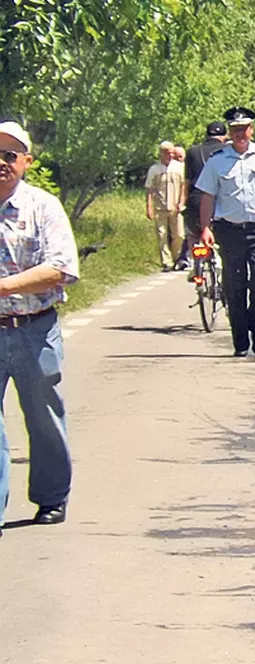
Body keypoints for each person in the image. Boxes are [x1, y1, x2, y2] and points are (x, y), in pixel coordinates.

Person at [0, 121, 80, 532]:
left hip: (35, 328)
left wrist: (4, 287)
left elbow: (62, 267)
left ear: (27, 162)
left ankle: (51, 498)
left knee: (43, 416)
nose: (2, 162)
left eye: (10, 155)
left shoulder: (43, 207)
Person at [195, 107, 255, 357]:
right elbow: (208, 195)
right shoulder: (217, 161)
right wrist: (205, 227)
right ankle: (240, 339)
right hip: (230, 231)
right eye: (235, 129)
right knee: (234, 286)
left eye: (244, 129)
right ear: (230, 132)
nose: (240, 134)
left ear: (251, 130)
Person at [181, 122, 228, 269]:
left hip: (196, 198)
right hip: (220, 200)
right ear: (225, 137)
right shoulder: (228, 151)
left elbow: (187, 182)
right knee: (226, 235)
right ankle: (223, 262)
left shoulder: (193, 152)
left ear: (206, 135)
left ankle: (196, 265)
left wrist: (183, 202)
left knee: (193, 233)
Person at [145, 141, 186, 271]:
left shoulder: (179, 167)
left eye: (172, 153)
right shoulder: (154, 169)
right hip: (160, 207)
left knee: (179, 235)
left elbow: (184, 186)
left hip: (176, 207)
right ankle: (166, 262)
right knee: (162, 235)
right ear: (161, 153)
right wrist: (149, 207)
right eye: (167, 153)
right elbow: (149, 189)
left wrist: (181, 202)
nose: (170, 155)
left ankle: (176, 258)